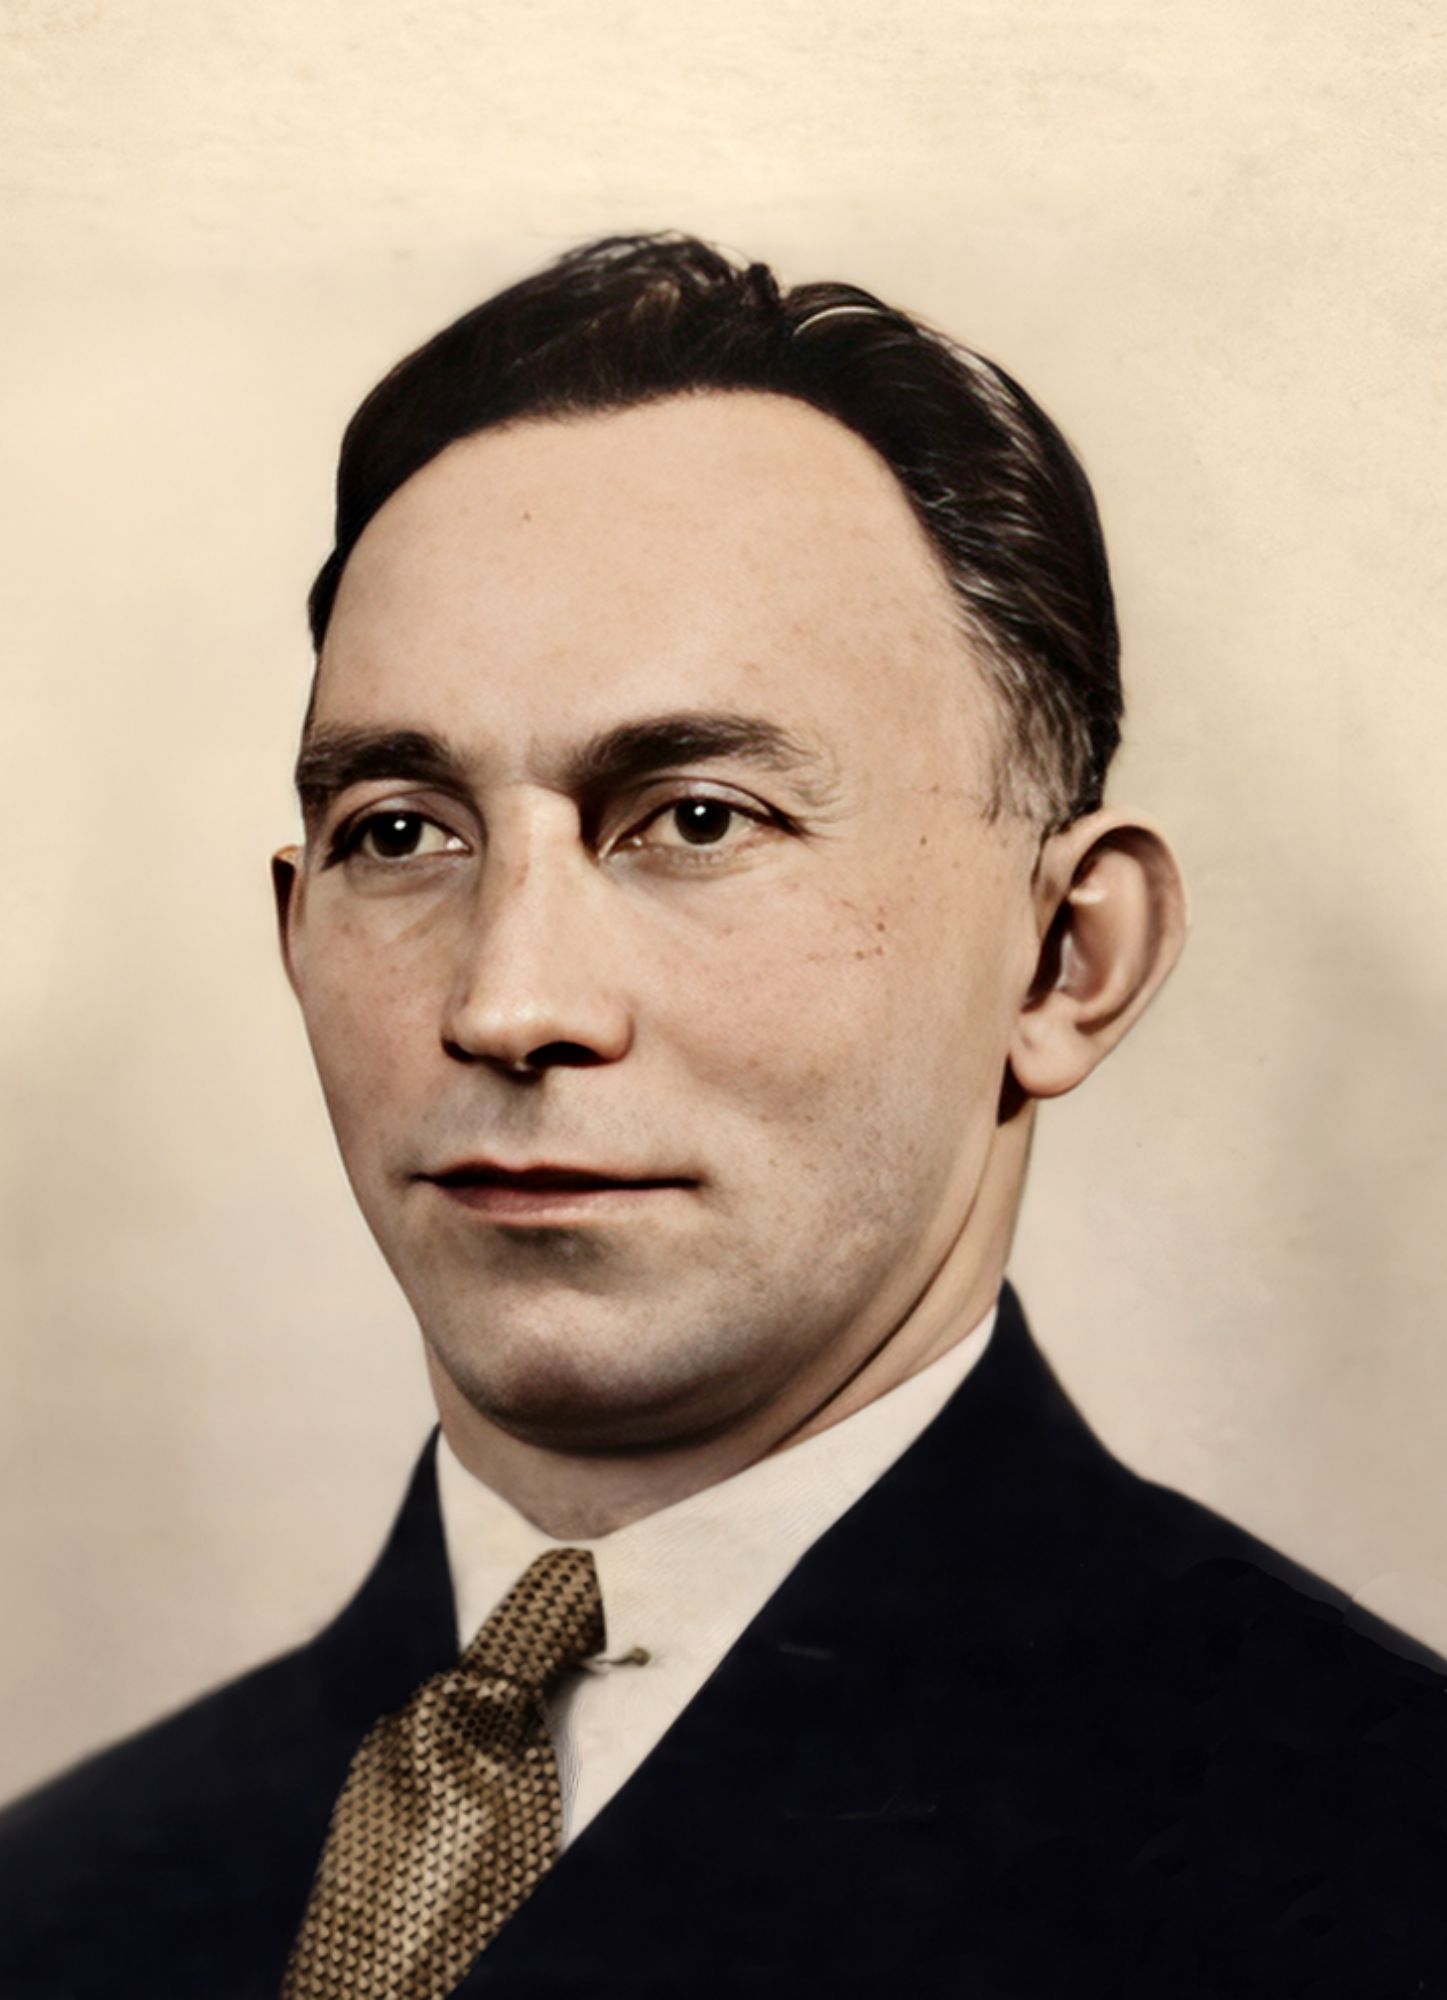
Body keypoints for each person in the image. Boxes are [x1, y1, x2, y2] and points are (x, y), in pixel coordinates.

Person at [1, 233, 1441, 1999]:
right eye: (402, 832)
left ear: (1067, 957)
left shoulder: (1380, 1871)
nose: (509, 1003)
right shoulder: (60, 1904)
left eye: (695, 819)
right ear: (296, 935)